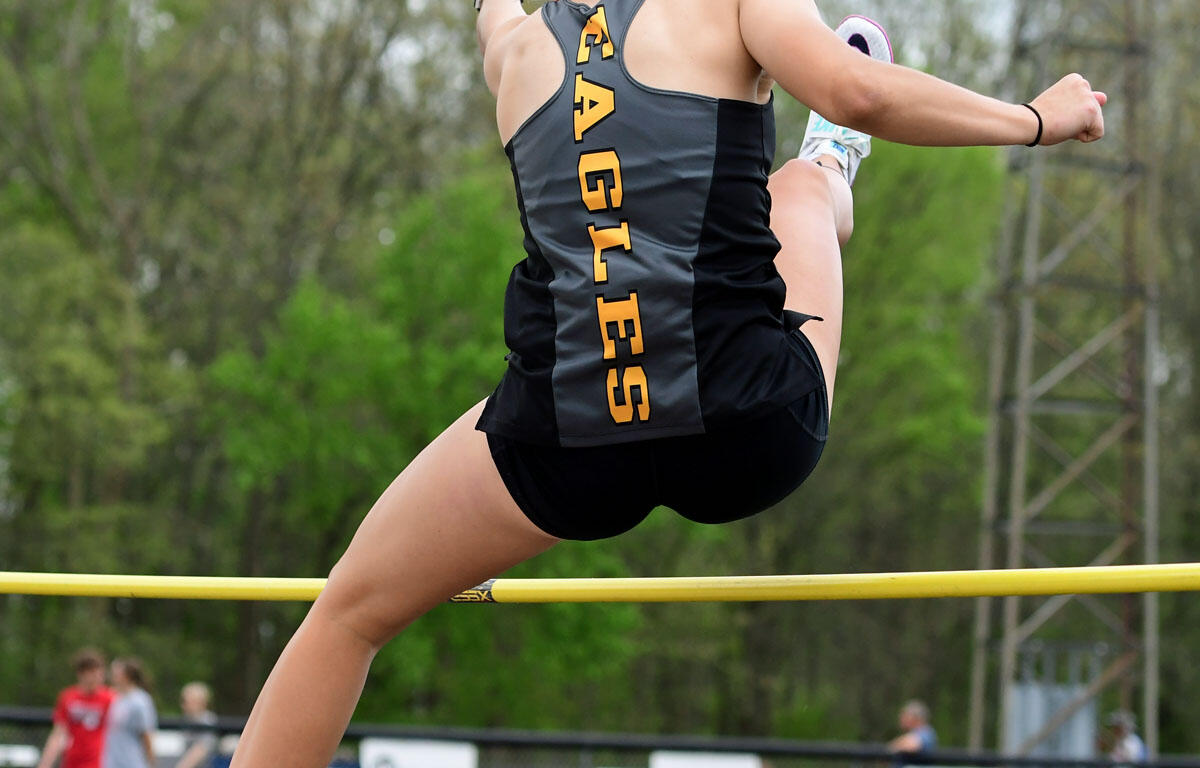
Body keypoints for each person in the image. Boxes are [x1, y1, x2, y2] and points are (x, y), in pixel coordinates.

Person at [228, 1, 1105, 765]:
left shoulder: (516, 51)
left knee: (345, 616)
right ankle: (833, 166)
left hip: (569, 447)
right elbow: (860, 88)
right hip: (749, 426)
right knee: (795, 188)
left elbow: (494, 15)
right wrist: (1037, 117)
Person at [36, 649, 114, 768]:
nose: (98, 677)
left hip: (99, 762)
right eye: (92, 672)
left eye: (100, 672)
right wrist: (44, 764)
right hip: (72, 761)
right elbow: (58, 734)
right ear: (81, 673)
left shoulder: (110, 698)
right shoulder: (68, 697)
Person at [101, 658, 156, 768]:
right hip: (111, 762)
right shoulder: (112, 697)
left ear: (127, 676)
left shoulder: (140, 701)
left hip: (132, 762)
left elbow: (146, 735)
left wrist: (151, 762)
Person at [176, 683, 219, 768]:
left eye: (188, 701)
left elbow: (202, 749)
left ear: (202, 702)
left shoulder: (208, 721)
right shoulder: (185, 720)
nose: (184, 705)